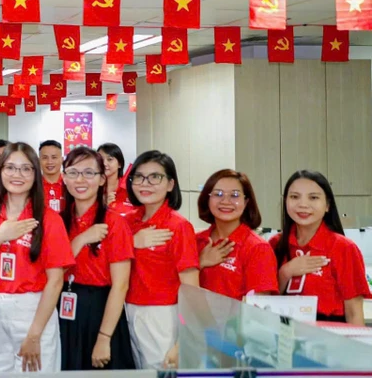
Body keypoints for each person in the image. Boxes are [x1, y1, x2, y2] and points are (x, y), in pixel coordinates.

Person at [0, 142, 73, 373]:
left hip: (34, 310)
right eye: (10, 168)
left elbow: (55, 281)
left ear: (35, 174)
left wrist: (34, 335)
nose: (17, 175)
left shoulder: (48, 219)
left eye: (25, 169)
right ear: (0, 170)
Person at [58, 147, 135, 370]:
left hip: (101, 311)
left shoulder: (115, 223)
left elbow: (120, 285)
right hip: (62, 306)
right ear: (64, 177)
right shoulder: (58, 222)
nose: (80, 180)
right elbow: (50, 275)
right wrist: (80, 240)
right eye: (73, 172)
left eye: (89, 173)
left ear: (102, 179)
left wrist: (104, 337)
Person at [124, 150, 199, 369]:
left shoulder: (178, 226)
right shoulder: (127, 222)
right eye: (139, 176)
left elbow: (191, 287)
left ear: (170, 184)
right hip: (127, 309)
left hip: (162, 314)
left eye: (155, 177)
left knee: (161, 370)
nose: (145, 183)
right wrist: (132, 242)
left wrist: (182, 341)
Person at [270, 171, 371, 324]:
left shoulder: (344, 248)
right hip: (283, 332)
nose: (303, 204)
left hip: (330, 333)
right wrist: (285, 272)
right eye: (294, 197)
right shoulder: (275, 244)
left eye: (313, 197)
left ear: (327, 205)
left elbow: (354, 312)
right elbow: (262, 302)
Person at [195, 169, 277, 300]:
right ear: (207, 199)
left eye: (234, 195)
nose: (226, 201)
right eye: (218, 194)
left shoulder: (258, 248)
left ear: (246, 202)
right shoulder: (194, 241)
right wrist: (200, 262)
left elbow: (259, 306)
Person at [96, 143, 131, 211]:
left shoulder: (130, 188)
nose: (104, 163)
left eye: (109, 159)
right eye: (101, 160)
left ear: (120, 164)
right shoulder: (92, 189)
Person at [38, 140, 64, 212]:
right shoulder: (34, 186)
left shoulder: (70, 184)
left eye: (54, 157)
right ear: (39, 161)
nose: (49, 162)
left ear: (62, 160)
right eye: (45, 158)